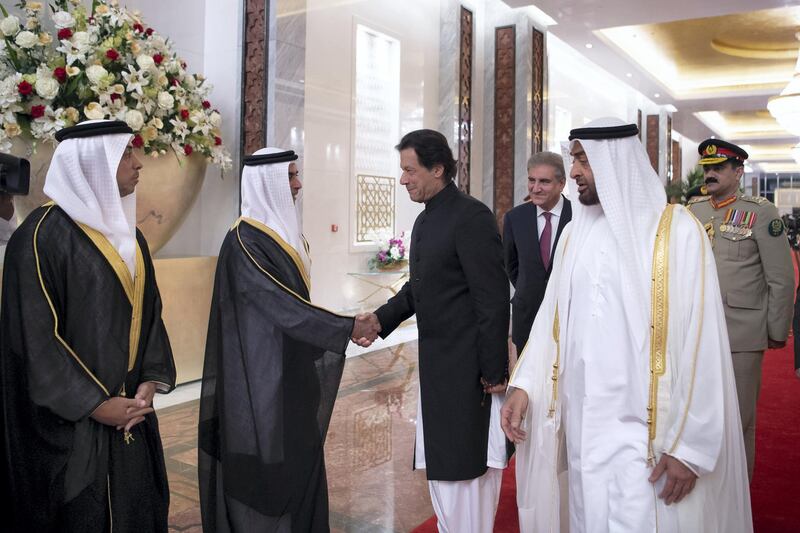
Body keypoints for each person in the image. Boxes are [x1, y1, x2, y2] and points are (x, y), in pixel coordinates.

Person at [502, 118, 751, 532]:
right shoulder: (573, 236)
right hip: (585, 433)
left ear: (616, 161)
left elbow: (701, 342)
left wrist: (690, 446)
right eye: (574, 159)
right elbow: (551, 321)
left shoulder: (677, 234)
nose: (575, 171)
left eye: (583, 160)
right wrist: (525, 385)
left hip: (649, 442)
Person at [0, 119, 177, 532]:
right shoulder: (39, 238)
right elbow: (35, 340)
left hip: (132, 412)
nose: (138, 164)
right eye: (126, 154)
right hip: (70, 425)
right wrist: (98, 406)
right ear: (92, 164)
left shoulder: (131, 239)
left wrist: (148, 382)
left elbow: (149, 315)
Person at [198, 147, 379, 532]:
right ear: (268, 183)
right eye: (290, 176)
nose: (298, 185)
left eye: (297, 176)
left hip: (291, 374)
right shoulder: (244, 241)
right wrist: (346, 328)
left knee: (298, 459)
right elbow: (281, 306)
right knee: (265, 467)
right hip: (260, 379)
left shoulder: (285, 238)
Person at [357, 129, 510, 532]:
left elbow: (491, 299)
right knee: (445, 465)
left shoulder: (470, 216)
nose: (404, 179)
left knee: (466, 466)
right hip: (439, 370)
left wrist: (494, 372)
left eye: (410, 170)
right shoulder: (426, 221)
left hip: (468, 372)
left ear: (438, 169)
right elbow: (420, 287)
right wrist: (381, 319)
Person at [687, 138, 794, 479]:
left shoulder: (760, 213)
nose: (712, 174)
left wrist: (776, 331)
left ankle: (737, 495)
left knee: (738, 419)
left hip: (740, 334)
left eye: (719, 168)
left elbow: (781, 278)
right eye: (708, 169)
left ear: (738, 171)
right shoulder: (693, 212)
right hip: (698, 332)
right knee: (700, 415)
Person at [503, 151, 572, 355]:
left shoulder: (578, 216)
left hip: (568, 316)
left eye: (544, 181)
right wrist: (529, 289)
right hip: (527, 316)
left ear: (561, 184)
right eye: (531, 180)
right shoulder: (515, 218)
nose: (535, 188)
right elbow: (511, 265)